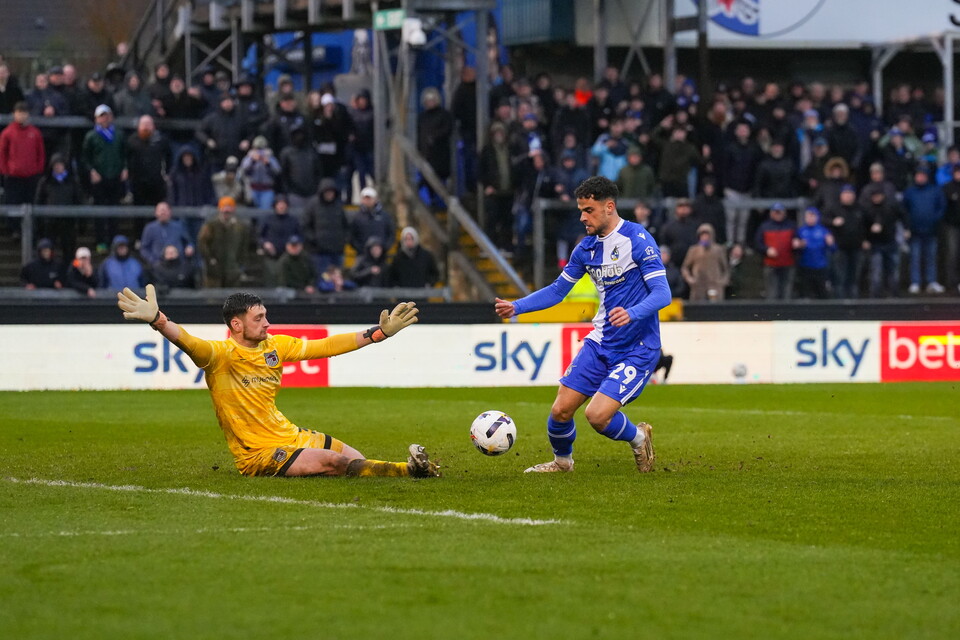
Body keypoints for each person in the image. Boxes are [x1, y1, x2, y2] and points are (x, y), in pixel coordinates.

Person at [116, 287, 438, 478]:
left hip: (291, 435)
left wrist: (377, 334)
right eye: (259, 318)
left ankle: (408, 469)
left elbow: (325, 345)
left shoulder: (276, 346)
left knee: (355, 460)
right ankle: (409, 470)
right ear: (237, 324)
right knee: (335, 462)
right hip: (258, 454)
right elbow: (187, 341)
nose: (267, 323)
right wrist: (158, 320)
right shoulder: (220, 355)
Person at [494, 176, 668, 474]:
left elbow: (663, 293)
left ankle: (640, 439)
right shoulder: (585, 249)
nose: (582, 217)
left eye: (588, 210)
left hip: (638, 347)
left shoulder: (637, 240)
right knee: (560, 410)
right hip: (601, 342)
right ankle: (563, 463)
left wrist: (633, 313)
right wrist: (517, 307)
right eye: (581, 209)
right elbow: (558, 291)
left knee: (597, 416)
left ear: (609, 206)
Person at [902, 168, 946, 294]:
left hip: (931, 230)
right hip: (915, 230)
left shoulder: (935, 190)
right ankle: (915, 282)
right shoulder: (910, 192)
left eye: (922, 175)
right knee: (915, 257)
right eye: (918, 175)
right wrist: (907, 226)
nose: (920, 178)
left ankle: (931, 281)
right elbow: (904, 210)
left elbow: (941, 207)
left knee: (931, 257)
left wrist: (934, 220)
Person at [198, 196, 252, 288]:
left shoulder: (241, 227)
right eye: (224, 207)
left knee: (232, 299)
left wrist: (240, 263)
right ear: (220, 208)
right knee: (214, 298)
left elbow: (244, 246)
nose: (226, 210)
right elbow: (202, 242)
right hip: (214, 270)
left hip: (233, 269)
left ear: (233, 209)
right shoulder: (211, 225)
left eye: (229, 207)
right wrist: (210, 259)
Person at [302, 177, 349, 274]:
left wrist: (344, 240)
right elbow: (305, 226)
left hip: (337, 250)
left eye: (331, 192)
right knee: (321, 279)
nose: (329, 194)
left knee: (337, 279)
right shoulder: (312, 205)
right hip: (319, 252)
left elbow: (345, 225)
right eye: (327, 192)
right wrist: (314, 240)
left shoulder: (339, 205)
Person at [755, 203, 797, 300]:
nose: (778, 214)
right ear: (771, 213)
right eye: (776, 212)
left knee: (787, 292)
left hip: (788, 263)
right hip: (771, 264)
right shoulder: (764, 226)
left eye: (780, 212)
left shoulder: (791, 225)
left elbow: (798, 239)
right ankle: (772, 314)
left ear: (784, 213)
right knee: (772, 293)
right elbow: (758, 243)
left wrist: (797, 243)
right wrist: (766, 249)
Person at [680, 223, 730, 302]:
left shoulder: (718, 250)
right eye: (702, 235)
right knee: (697, 309)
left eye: (707, 235)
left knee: (715, 309)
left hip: (714, 285)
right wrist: (690, 279)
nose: (705, 237)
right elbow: (685, 267)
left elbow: (726, 269)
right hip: (698, 285)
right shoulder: (694, 250)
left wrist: (722, 282)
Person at [793, 207, 835, 299]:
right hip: (805, 266)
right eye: (808, 216)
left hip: (820, 267)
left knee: (822, 293)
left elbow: (833, 249)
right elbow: (795, 248)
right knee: (805, 293)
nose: (810, 218)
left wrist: (831, 243)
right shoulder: (801, 231)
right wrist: (799, 245)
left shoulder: (824, 231)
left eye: (813, 216)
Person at [140, 201, 194, 267]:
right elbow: (144, 249)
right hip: (159, 266)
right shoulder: (150, 228)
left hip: (178, 265)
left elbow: (189, 242)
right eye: (160, 211)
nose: (162, 213)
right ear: (156, 213)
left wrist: (190, 247)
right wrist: (153, 261)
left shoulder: (179, 226)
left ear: (170, 212)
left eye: (165, 210)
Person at [349, 187, 395, 253]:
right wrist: (360, 249)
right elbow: (352, 236)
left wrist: (384, 248)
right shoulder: (356, 217)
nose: (367, 201)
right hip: (362, 255)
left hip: (381, 255)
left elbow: (391, 234)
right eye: (365, 198)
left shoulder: (385, 216)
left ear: (375, 199)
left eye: (369, 198)